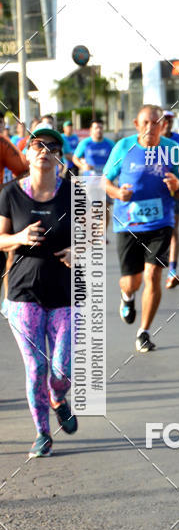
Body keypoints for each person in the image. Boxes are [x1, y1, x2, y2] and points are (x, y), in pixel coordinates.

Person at [0, 126, 77, 457]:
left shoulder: (75, 192)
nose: (45, 150)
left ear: (59, 156)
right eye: (37, 145)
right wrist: (18, 238)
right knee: (36, 368)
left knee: (61, 370)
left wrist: (79, 249)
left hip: (66, 293)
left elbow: (96, 230)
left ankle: (58, 397)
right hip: (22, 293)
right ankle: (42, 434)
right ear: (27, 154)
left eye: (52, 146)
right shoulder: (9, 193)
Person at [102, 105, 179, 353]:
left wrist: (175, 187)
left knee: (153, 276)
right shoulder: (124, 147)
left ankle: (144, 332)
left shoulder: (171, 149)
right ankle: (127, 297)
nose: (151, 127)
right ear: (137, 125)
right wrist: (118, 193)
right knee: (131, 282)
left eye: (156, 122)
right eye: (146, 122)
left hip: (161, 222)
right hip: (127, 223)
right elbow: (105, 180)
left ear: (163, 125)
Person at [0, 131, 29, 291]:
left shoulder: (2, 143)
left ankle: (9, 300)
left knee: (10, 255)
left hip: (2, 211)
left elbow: (24, 171)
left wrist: (5, 190)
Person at [161, 111, 179, 289]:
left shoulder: (178, 138)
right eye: (164, 120)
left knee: (173, 230)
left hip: (173, 189)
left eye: (170, 120)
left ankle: (172, 270)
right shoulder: (150, 140)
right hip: (154, 193)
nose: (167, 123)